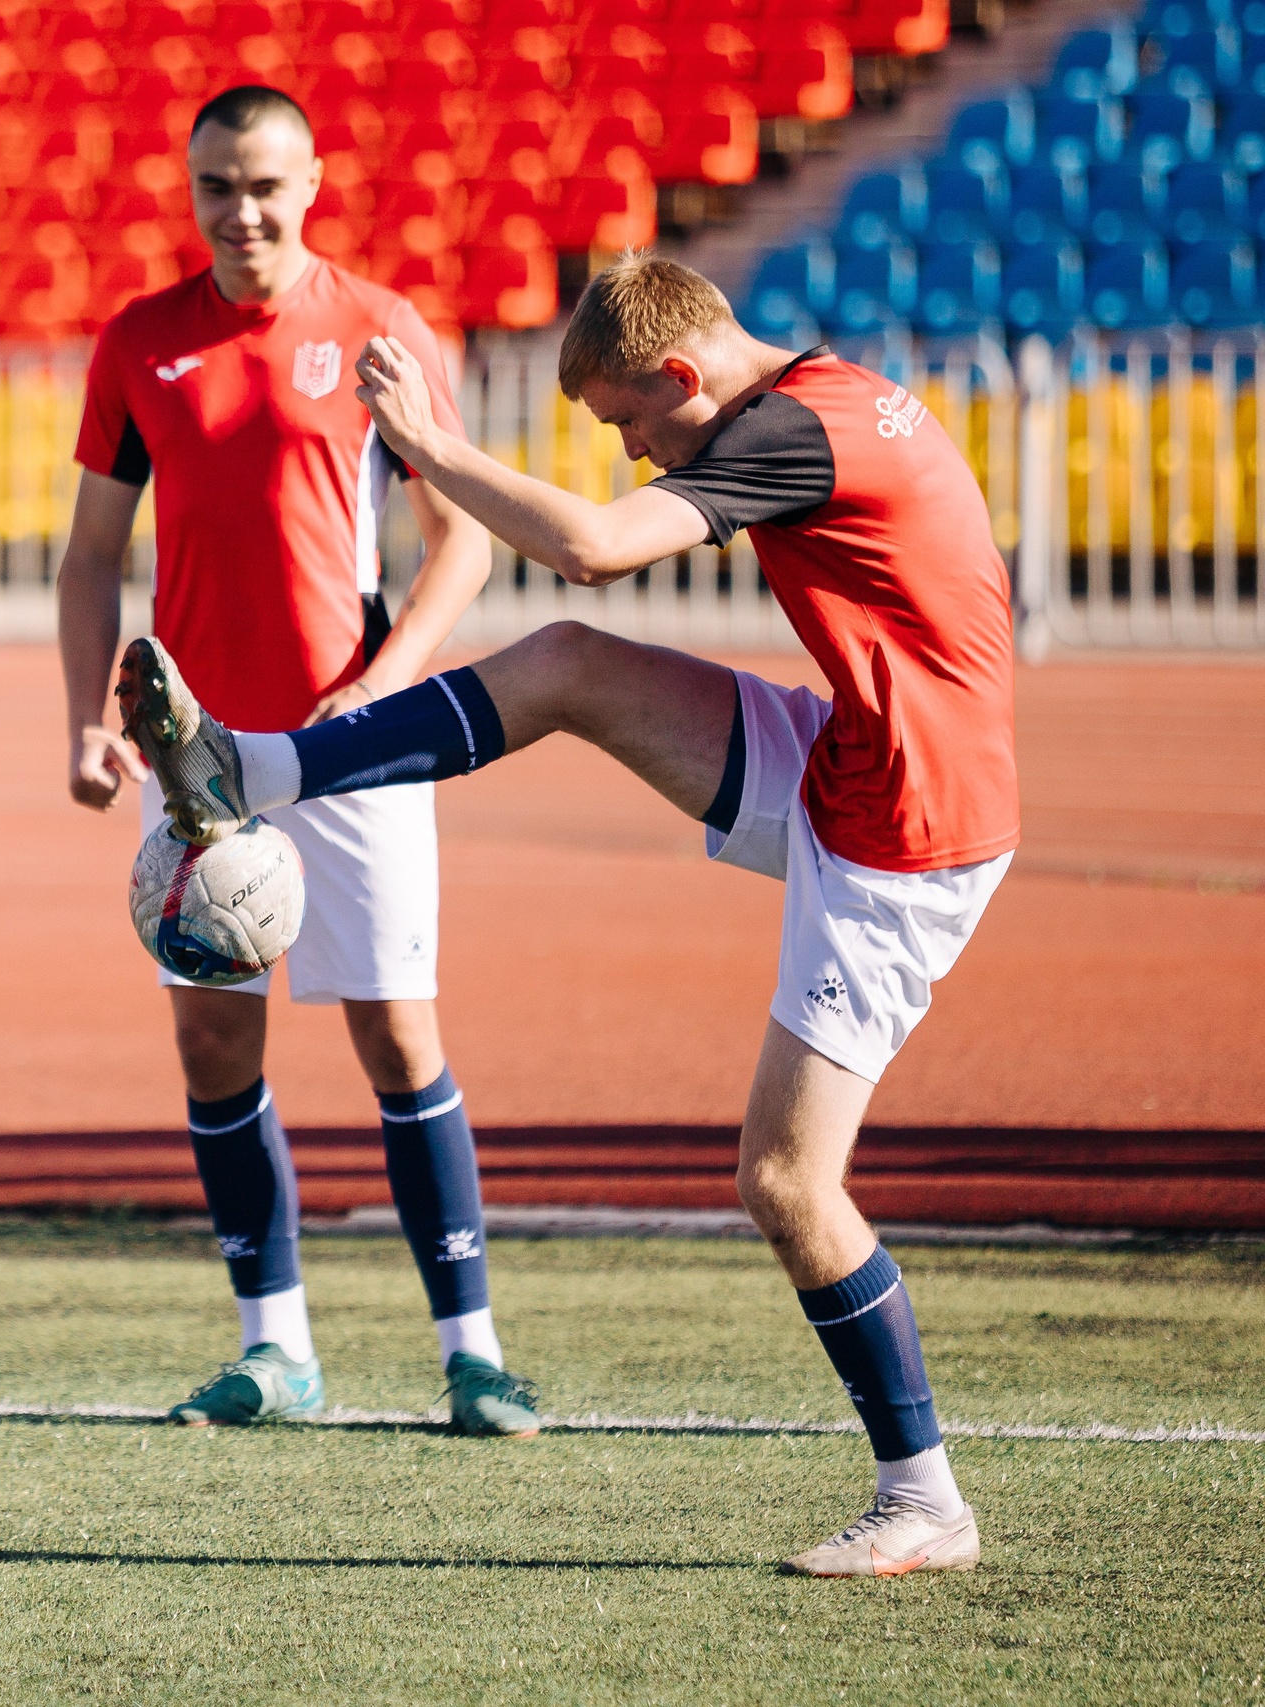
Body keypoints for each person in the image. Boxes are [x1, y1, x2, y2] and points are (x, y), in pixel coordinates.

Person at [118, 253, 1017, 1576]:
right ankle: (249, 768)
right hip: (858, 760)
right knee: (568, 670)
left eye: (631, 427)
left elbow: (595, 548)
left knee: (783, 1181)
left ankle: (925, 1499)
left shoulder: (795, 429)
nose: (637, 456)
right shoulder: (817, 394)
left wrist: (428, 447)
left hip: (909, 833)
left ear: (679, 376)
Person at [60, 85, 538, 1435]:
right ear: (191, 187)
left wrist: (386, 689)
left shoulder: (381, 330)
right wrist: (86, 724)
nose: (242, 208)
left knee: (398, 1034)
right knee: (216, 1041)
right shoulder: (140, 344)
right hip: (199, 765)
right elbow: (93, 558)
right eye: (218, 184)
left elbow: (464, 541)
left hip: (353, 746)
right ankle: (278, 1353)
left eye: (265, 183)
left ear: (314, 182)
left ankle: (474, 1353)